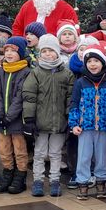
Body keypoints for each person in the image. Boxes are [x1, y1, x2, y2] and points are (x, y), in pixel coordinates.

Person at [22, 33, 74, 198]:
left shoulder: (66, 74)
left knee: (55, 153)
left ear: (57, 52)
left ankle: (54, 181)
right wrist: (29, 119)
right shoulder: (35, 73)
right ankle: (38, 181)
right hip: (40, 122)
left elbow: (70, 98)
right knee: (39, 153)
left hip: (59, 122)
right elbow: (29, 97)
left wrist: (69, 117)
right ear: (39, 53)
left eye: (51, 51)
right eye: (44, 51)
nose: (47, 54)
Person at [67, 45, 106, 200]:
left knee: (101, 156)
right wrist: (74, 123)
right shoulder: (81, 82)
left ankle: (101, 181)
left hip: (103, 127)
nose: (93, 64)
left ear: (103, 62)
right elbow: (74, 103)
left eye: (96, 60)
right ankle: (82, 182)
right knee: (84, 156)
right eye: (89, 61)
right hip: (85, 127)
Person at [0, 36, 32, 194]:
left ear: (20, 53)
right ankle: (7, 172)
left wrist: (8, 118)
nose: (8, 54)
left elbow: (20, 96)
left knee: (19, 149)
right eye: (6, 50)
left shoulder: (26, 72)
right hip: (2, 120)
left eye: (13, 51)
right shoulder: (0, 71)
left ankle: (20, 176)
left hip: (16, 120)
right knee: (3, 149)